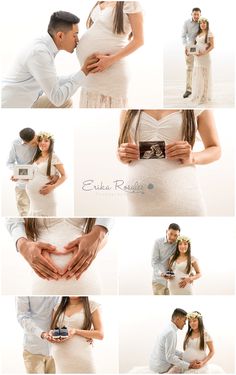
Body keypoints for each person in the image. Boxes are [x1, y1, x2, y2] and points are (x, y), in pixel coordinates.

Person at [118, 110, 221, 216]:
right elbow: (124, 150)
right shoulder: (128, 108)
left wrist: (192, 157)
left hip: (185, 204)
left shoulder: (197, 108)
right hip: (139, 209)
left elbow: (215, 149)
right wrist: (122, 154)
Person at [1, 11, 97, 108]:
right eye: (74, 35)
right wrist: (84, 72)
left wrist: (83, 73)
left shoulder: (45, 46)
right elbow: (57, 99)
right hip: (10, 108)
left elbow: (53, 81)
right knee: (61, 101)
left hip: (25, 100)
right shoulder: (40, 53)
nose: (77, 40)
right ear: (60, 36)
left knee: (66, 102)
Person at [6, 218, 113, 294]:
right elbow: (13, 219)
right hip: (42, 287)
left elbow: (107, 222)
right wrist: (22, 244)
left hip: (88, 285)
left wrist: (99, 235)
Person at [77, 1, 144, 108]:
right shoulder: (102, 1)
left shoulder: (130, 2)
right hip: (91, 73)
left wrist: (110, 60)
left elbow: (139, 40)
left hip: (112, 69)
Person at [48, 296, 103, 373]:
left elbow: (100, 335)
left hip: (83, 357)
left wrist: (75, 331)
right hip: (60, 358)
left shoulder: (91, 305)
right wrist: (51, 334)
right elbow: (53, 330)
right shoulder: (57, 307)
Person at [25, 132, 66, 216]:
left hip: (46, 199)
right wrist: (17, 176)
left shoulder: (54, 157)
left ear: (51, 144)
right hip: (33, 201)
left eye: (46, 141)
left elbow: (64, 175)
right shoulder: (36, 157)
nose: (42, 142)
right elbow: (33, 175)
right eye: (40, 140)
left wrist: (52, 187)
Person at [16, 296, 59, 374]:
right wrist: (41, 333)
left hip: (55, 351)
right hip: (34, 351)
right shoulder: (25, 292)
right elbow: (22, 317)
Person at [149, 308, 199, 373]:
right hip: (160, 367)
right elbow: (170, 358)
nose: (185, 324)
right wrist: (189, 366)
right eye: (184, 321)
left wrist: (183, 355)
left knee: (182, 359)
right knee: (183, 363)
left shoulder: (168, 328)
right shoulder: (171, 332)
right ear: (178, 319)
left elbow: (169, 349)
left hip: (153, 365)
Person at [7, 128, 38, 216]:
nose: (35, 143)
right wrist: (19, 173)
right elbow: (9, 163)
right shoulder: (15, 144)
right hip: (22, 184)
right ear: (24, 141)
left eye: (34, 140)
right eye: (32, 143)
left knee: (39, 212)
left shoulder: (42, 140)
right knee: (23, 212)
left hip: (38, 183)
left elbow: (50, 159)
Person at [151, 223, 181, 295]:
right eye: (170, 234)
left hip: (173, 282)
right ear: (166, 231)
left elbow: (186, 258)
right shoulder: (158, 242)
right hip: (159, 281)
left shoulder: (179, 244)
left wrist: (191, 273)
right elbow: (154, 262)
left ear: (179, 235)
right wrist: (162, 273)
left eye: (175, 235)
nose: (172, 237)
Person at [191, 18, 214, 105]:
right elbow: (195, 44)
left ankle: (204, 96)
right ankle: (197, 94)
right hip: (197, 58)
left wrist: (204, 52)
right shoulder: (198, 33)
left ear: (207, 24)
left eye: (204, 23)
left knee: (205, 77)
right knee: (197, 76)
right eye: (201, 23)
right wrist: (193, 52)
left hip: (205, 58)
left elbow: (212, 46)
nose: (202, 25)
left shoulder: (209, 33)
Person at [182, 8, 202, 98]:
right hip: (190, 47)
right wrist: (186, 46)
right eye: (194, 14)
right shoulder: (186, 23)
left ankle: (199, 89)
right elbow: (183, 36)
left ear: (200, 15)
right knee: (189, 68)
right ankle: (188, 90)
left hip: (200, 47)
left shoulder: (203, 23)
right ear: (191, 14)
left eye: (198, 14)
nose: (196, 16)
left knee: (200, 68)